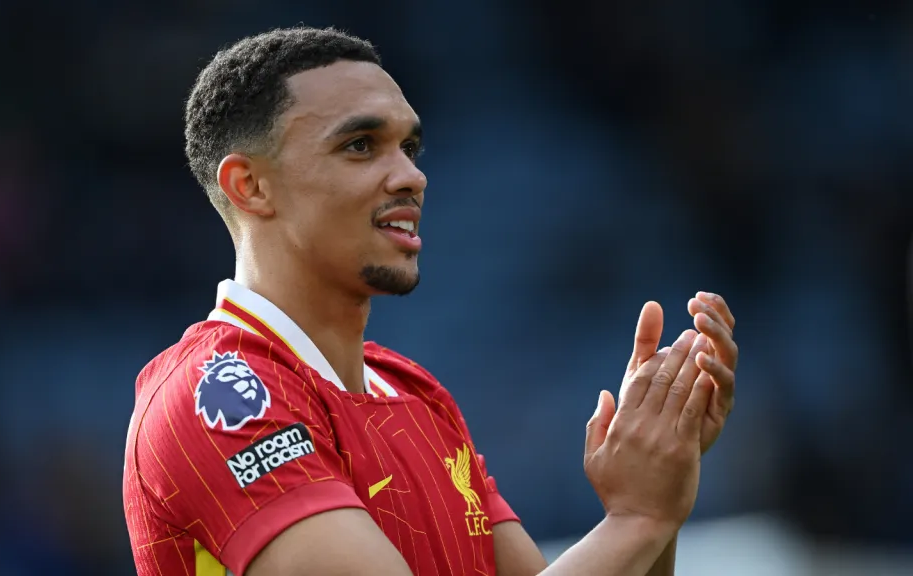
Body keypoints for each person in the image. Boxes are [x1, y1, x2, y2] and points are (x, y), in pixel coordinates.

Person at [122, 26, 738, 576]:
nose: (411, 176)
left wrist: (659, 481)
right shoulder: (217, 397)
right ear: (250, 186)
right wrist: (637, 518)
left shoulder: (416, 395)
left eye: (409, 148)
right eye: (360, 145)